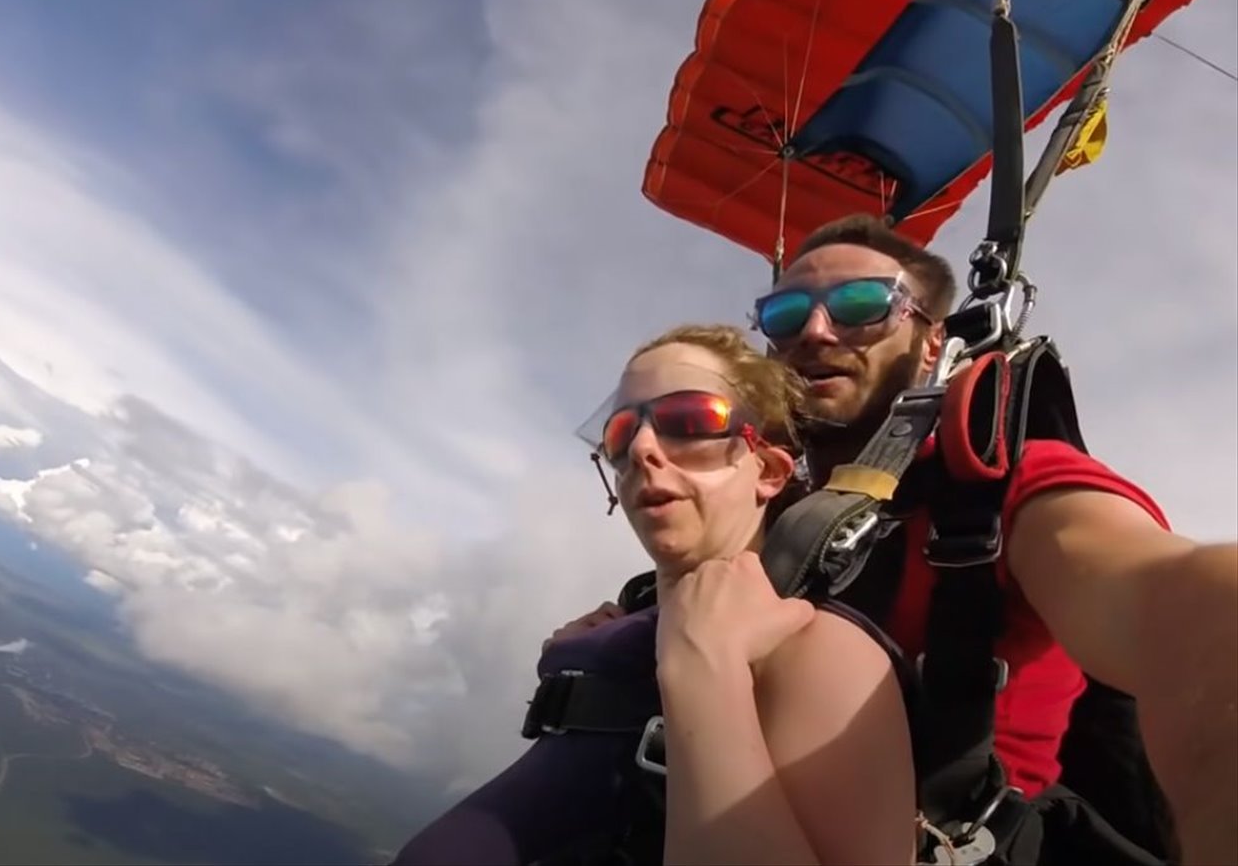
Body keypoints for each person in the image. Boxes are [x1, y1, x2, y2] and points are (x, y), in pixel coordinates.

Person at [551, 214, 1238, 866]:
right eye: (786, 316)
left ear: (932, 342)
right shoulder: (769, 529)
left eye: (860, 304)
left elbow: (1170, 605)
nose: (815, 332)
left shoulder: (998, 489)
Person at [395, 324, 919, 865]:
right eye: (621, 434)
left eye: (690, 421)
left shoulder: (814, 649)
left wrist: (703, 670)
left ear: (766, 471)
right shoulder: (622, 633)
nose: (642, 448)